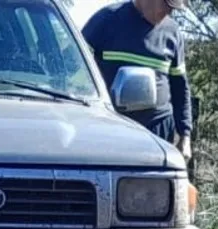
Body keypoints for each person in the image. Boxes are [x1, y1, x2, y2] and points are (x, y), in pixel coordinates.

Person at [80, 0, 193, 158]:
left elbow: (180, 88)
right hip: (110, 129)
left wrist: (185, 136)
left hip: (158, 132)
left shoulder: (173, 32)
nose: (169, 12)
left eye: (173, 9)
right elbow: (73, 63)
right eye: (167, 5)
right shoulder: (107, 19)